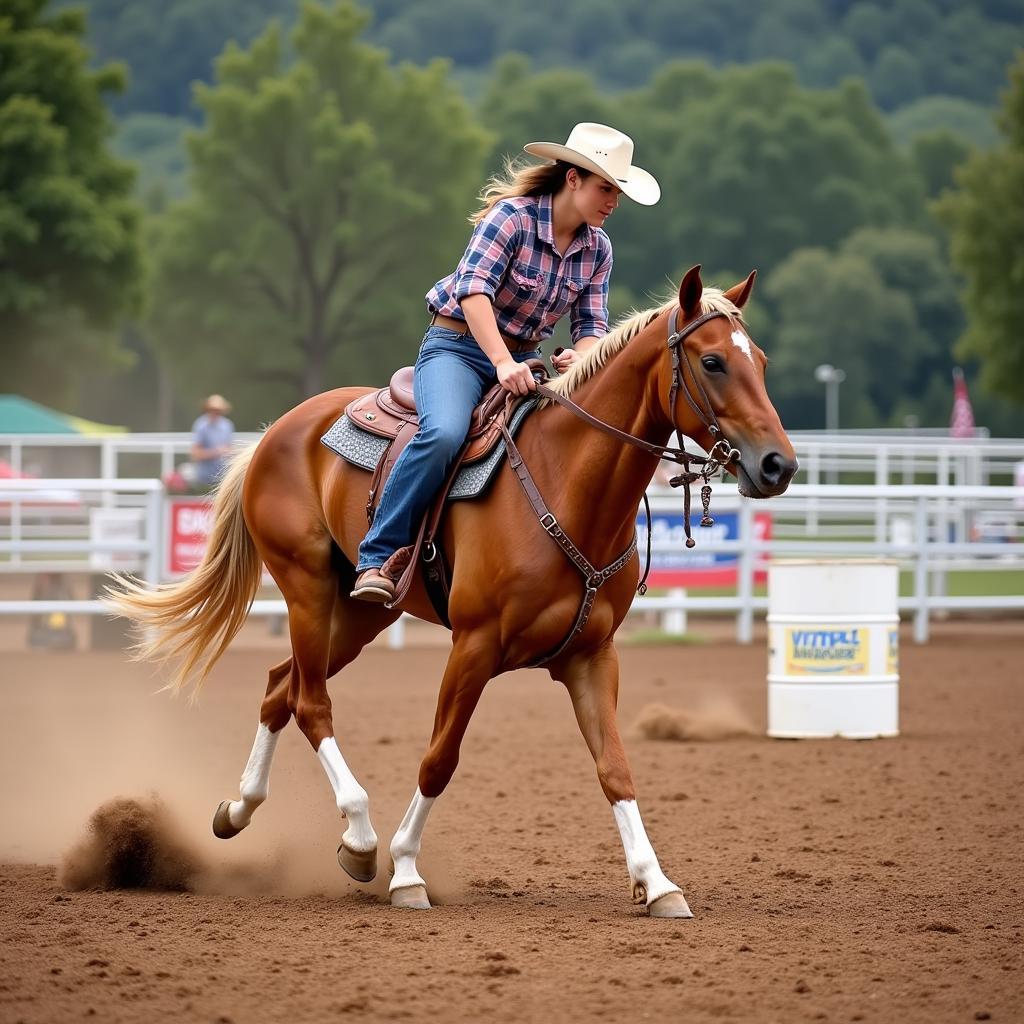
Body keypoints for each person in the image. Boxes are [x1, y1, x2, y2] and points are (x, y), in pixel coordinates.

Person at [351, 122, 661, 602]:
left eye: (617, 192)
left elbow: (592, 327)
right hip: (457, 348)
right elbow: (472, 291)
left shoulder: (598, 249)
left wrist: (579, 355)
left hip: (524, 362)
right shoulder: (511, 219)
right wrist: (500, 361)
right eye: (605, 187)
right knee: (444, 433)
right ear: (572, 178)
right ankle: (378, 555)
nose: (612, 202)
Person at [190, 394, 235, 488]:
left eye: (218, 410)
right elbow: (195, 454)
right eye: (213, 410)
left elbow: (229, 448)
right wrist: (216, 452)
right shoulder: (201, 426)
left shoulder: (227, 425)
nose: (215, 413)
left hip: (223, 476)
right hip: (204, 478)